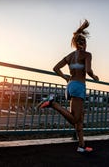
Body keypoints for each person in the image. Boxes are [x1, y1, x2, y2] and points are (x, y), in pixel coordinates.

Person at [38, 19, 99, 153]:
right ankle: (52, 104)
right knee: (75, 119)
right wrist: (94, 77)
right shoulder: (87, 55)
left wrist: (65, 77)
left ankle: (81, 146)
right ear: (84, 43)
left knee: (79, 119)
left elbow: (55, 68)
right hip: (79, 86)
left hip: (70, 86)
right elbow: (88, 71)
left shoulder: (69, 56)